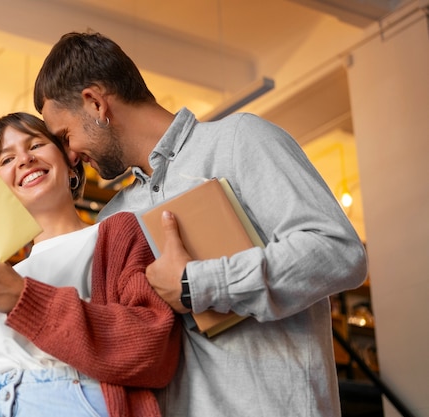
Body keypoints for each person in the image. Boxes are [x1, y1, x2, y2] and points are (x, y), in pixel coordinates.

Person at [33, 32, 368, 416]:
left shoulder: (238, 141)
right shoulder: (114, 219)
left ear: (95, 103)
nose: (71, 156)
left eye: (65, 136)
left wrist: (197, 284)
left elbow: (339, 251)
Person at [0, 112, 181, 417]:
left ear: (70, 161)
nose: (24, 160)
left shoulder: (115, 235)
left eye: (36, 145)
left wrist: (22, 299)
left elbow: (151, 349)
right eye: (6, 160)